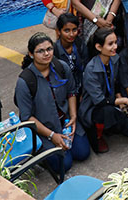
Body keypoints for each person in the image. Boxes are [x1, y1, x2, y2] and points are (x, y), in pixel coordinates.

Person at [15, 32, 90, 172]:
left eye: (49, 49)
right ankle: (39, 154)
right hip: (45, 129)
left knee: (82, 153)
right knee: (64, 164)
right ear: (31, 54)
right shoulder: (25, 81)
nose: (46, 54)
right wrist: (52, 135)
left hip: (65, 122)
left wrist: (73, 116)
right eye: (40, 51)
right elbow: (26, 117)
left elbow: (71, 91)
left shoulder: (61, 67)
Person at [79, 28, 128, 153]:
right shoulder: (91, 69)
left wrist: (119, 96)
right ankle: (97, 135)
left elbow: (117, 83)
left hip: (112, 101)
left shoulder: (114, 59)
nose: (115, 46)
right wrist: (124, 100)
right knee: (107, 112)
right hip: (94, 108)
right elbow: (99, 101)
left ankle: (110, 126)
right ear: (99, 47)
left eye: (115, 42)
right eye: (110, 44)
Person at [53, 13, 89, 95]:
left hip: (81, 88)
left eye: (74, 30)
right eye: (67, 31)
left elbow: (86, 68)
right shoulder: (55, 51)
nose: (71, 34)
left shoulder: (80, 45)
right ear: (58, 31)